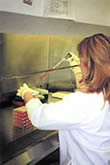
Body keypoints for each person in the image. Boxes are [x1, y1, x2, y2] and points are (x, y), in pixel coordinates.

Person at [17, 33, 110, 165]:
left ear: (88, 65)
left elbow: (39, 117)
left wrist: (27, 94)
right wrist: (78, 72)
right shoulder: (103, 93)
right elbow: (91, 89)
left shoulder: (81, 102)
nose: (79, 64)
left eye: (81, 61)